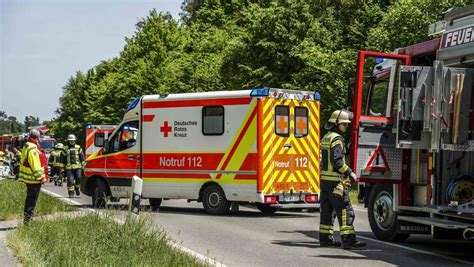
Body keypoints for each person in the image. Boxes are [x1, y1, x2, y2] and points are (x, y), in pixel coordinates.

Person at [319, 110, 366, 249]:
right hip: (335, 182)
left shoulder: (326, 137)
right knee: (345, 210)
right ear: (337, 123)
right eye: (345, 125)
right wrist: (350, 172)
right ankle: (349, 241)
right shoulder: (337, 139)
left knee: (327, 211)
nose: (346, 127)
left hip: (325, 182)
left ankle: (325, 240)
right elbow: (337, 161)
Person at [18, 129, 46, 224]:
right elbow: (35, 164)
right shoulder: (33, 147)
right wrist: (40, 177)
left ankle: (28, 219)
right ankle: (28, 221)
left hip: (29, 178)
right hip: (33, 179)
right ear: (37, 137)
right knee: (32, 200)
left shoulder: (27, 145)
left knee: (30, 198)